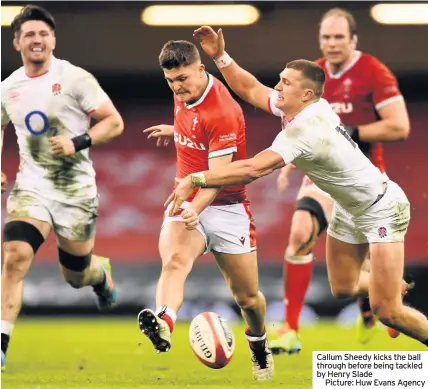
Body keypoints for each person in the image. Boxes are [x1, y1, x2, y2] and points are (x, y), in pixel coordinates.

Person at [166, 58, 428, 350]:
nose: (277, 86)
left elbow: (254, 169)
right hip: (347, 208)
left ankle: (390, 294)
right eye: (280, 79)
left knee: (387, 312)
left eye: (285, 83)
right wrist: (222, 57)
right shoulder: (305, 106)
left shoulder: (306, 129)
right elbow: (251, 88)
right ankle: (392, 285)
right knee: (342, 287)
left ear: (305, 95)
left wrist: (197, 178)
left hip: (381, 207)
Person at [138, 40, 273, 381]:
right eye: (170, 81)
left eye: (182, 79)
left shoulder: (223, 112)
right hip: (185, 198)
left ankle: (258, 344)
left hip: (226, 206)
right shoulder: (183, 90)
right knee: (175, 261)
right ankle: (165, 321)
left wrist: (195, 209)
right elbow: (191, 123)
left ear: (202, 69)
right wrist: (179, 132)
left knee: (248, 298)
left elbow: (216, 179)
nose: (176, 87)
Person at [1, 5, 123, 371]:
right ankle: (2, 342)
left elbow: (113, 122)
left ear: (53, 39)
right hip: (31, 187)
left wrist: (78, 141)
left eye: (43, 34)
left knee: (75, 277)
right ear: (17, 42)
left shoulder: (75, 78)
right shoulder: (8, 88)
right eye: (29, 35)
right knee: (14, 257)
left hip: (75, 191)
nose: (36, 40)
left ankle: (99, 275)